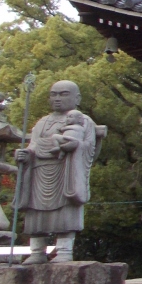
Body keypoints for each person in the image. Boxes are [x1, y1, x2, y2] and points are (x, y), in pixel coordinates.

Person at [14, 80, 103, 264]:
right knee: (35, 211)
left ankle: (64, 250)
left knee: (66, 209)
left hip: (67, 171)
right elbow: (33, 145)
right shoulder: (42, 122)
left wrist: (74, 146)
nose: (57, 98)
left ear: (77, 98)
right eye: (53, 94)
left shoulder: (83, 120)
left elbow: (89, 147)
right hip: (39, 172)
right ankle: (37, 251)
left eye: (63, 94)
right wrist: (25, 154)